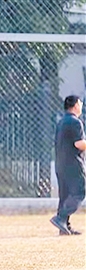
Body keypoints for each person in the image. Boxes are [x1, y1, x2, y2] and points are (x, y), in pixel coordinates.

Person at [50, 95, 85, 235]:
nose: (81, 105)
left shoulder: (62, 121)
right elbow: (79, 144)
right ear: (75, 105)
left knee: (65, 195)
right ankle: (61, 218)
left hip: (61, 163)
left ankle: (65, 226)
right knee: (79, 191)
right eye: (80, 103)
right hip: (73, 163)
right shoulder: (76, 122)